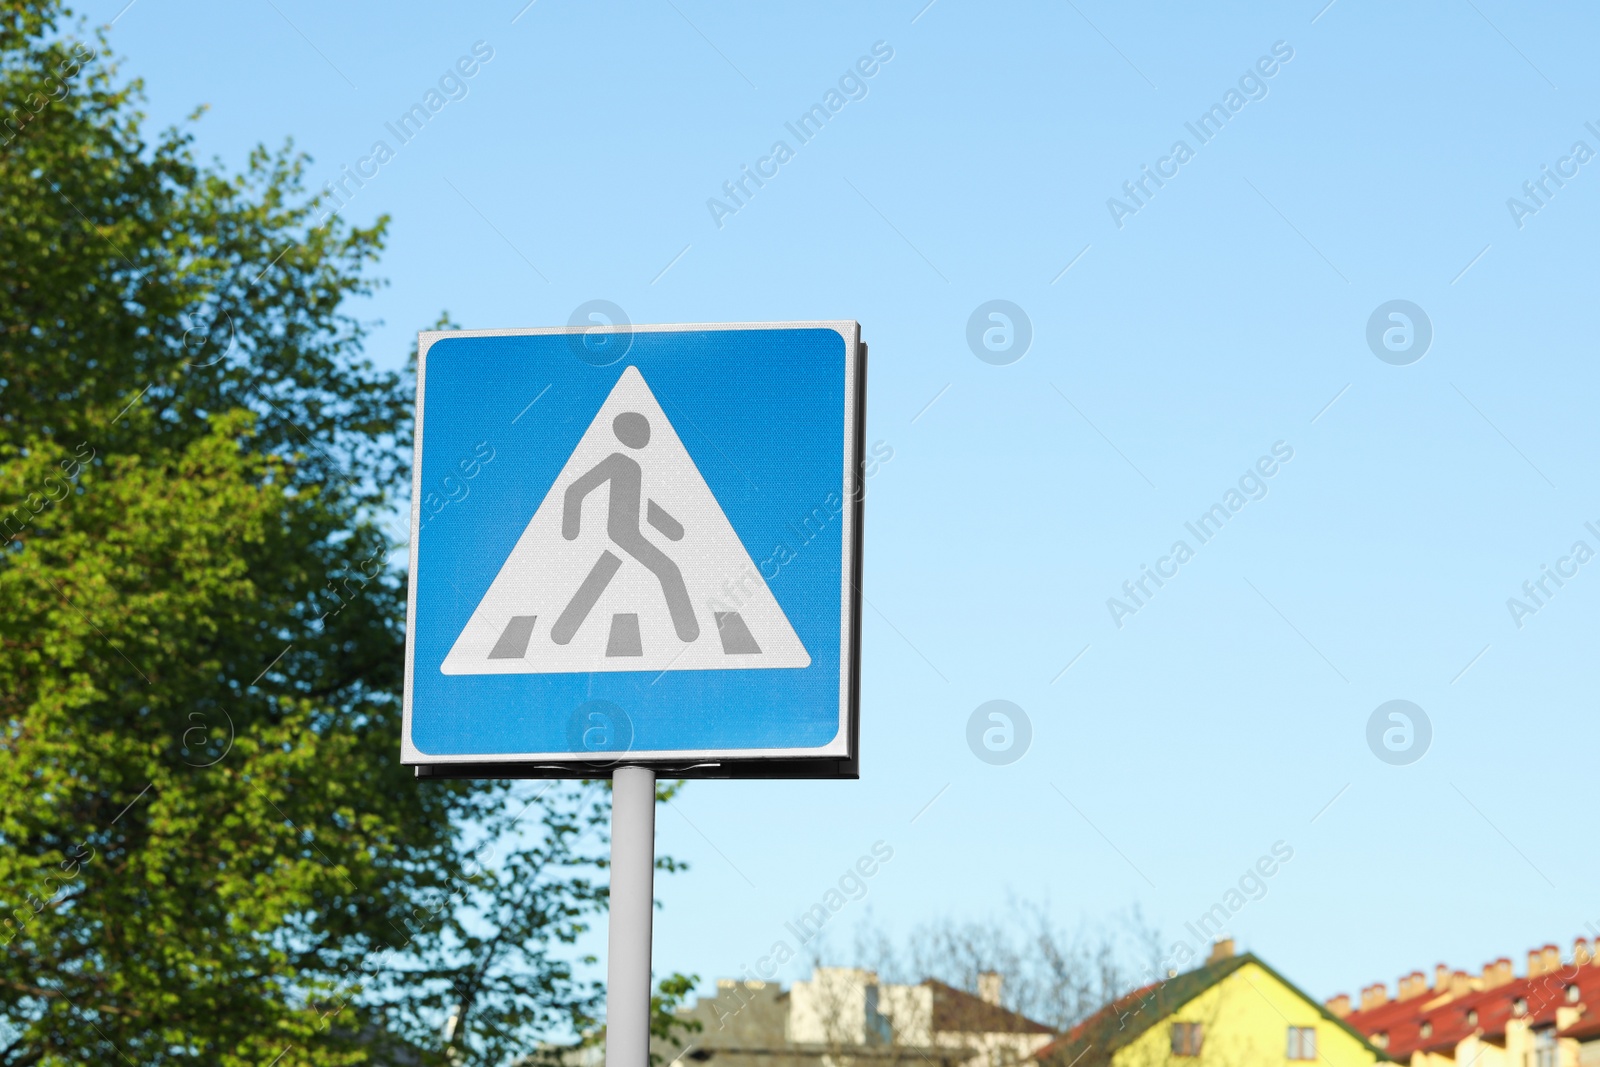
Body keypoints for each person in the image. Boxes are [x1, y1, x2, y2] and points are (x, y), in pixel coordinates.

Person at [550, 411, 699, 645]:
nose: (646, 436)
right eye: (641, 431)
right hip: (622, 534)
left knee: (599, 577)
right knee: (668, 570)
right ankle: (688, 631)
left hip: (626, 533)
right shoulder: (618, 461)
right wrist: (571, 528)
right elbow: (577, 490)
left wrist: (671, 528)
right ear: (628, 434)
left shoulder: (632, 466)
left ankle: (561, 633)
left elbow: (640, 504)